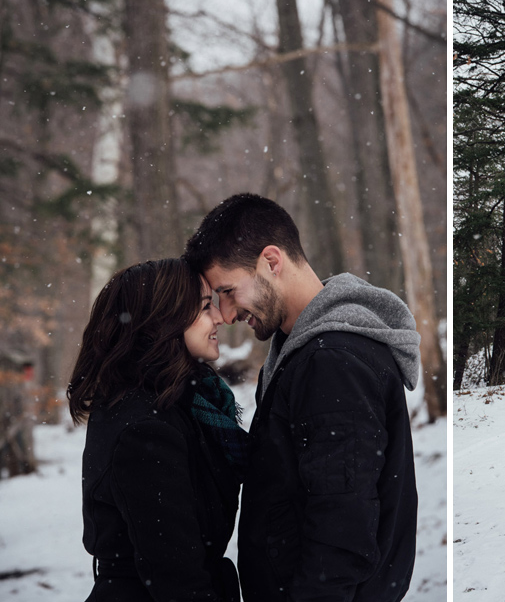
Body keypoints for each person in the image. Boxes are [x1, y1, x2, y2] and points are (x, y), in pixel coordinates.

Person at [184, 193, 420, 602]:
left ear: (272, 261)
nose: (224, 314)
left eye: (227, 290)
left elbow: (342, 526)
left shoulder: (332, 362)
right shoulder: (306, 352)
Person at [67, 258, 249, 602]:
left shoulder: (182, 403)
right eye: (204, 306)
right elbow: (178, 579)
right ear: (163, 320)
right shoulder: (144, 428)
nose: (220, 317)